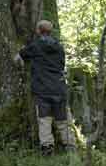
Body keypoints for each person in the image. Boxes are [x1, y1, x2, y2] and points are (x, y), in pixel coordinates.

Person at [15, 20, 76, 155]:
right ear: (51, 31)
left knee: (44, 120)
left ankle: (47, 149)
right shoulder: (59, 47)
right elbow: (61, 65)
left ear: (38, 31)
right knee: (63, 121)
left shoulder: (35, 46)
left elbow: (18, 57)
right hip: (59, 88)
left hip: (42, 90)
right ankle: (71, 148)